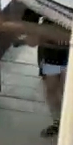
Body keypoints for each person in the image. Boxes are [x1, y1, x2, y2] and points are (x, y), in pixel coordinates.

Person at [21, 8, 68, 137]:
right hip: (51, 51)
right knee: (52, 89)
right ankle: (58, 122)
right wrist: (31, 33)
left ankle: (70, 123)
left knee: (68, 89)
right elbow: (30, 16)